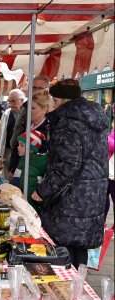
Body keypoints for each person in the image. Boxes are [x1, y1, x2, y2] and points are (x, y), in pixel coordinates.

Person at [31, 79, 108, 268]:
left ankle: (67, 292)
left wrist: (42, 191)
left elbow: (67, 165)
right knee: (78, 249)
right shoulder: (92, 118)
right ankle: (77, 290)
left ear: (60, 100)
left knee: (63, 252)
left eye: (54, 100)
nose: (52, 104)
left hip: (70, 200)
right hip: (91, 196)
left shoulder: (67, 123)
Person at [9, 75, 50, 176]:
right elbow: (16, 144)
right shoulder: (27, 119)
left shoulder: (48, 129)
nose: (36, 91)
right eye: (33, 88)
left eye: (39, 88)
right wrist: (13, 168)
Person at [10, 130, 47, 213]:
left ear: (32, 149)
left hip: (27, 209)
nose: (18, 147)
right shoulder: (23, 162)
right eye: (19, 144)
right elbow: (16, 182)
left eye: (22, 145)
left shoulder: (30, 169)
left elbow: (29, 197)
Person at [0, 89, 25, 180]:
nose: (11, 103)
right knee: (6, 175)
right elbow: (1, 133)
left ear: (22, 100)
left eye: (13, 101)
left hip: (21, 152)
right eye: (9, 101)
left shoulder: (27, 114)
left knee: (17, 177)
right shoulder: (6, 113)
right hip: (7, 150)